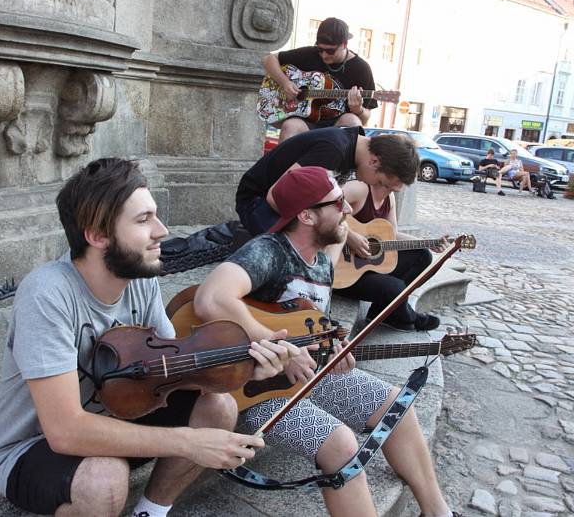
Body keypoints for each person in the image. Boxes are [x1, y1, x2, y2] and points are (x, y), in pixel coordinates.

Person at [0, 158, 298, 516]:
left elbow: (172, 371)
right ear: (98, 235)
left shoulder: (141, 279)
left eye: (156, 216)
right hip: (35, 448)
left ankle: (150, 511)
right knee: (104, 480)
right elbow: (65, 430)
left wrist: (246, 368)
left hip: (123, 412)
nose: (162, 230)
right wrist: (187, 442)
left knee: (218, 406)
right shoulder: (47, 294)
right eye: (143, 220)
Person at [195, 166, 458, 517]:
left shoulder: (321, 258)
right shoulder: (269, 251)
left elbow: (309, 327)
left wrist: (330, 346)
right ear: (306, 215)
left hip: (304, 377)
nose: (348, 209)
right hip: (254, 388)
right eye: (338, 202)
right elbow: (210, 298)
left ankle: (436, 511)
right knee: (340, 443)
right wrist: (280, 347)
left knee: (397, 404)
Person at [236, 126, 418, 237]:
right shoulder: (333, 150)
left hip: (282, 207)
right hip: (256, 202)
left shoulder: (354, 144)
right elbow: (275, 197)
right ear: (374, 161)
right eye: (381, 183)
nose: (379, 189)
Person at [338, 179, 442, 331]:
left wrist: (427, 242)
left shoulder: (390, 198)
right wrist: (350, 236)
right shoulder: (359, 189)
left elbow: (391, 236)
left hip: (362, 267)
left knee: (422, 255)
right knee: (396, 287)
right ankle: (410, 317)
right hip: (342, 272)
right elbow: (323, 207)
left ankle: (382, 313)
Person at [263, 17, 378, 142]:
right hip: (305, 121)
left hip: (337, 125)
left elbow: (365, 119)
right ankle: (282, 162)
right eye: (320, 49)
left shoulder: (361, 69)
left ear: (344, 44)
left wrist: (359, 110)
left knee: (352, 122)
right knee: (290, 126)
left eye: (330, 51)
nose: (324, 55)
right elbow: (269, 59)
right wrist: (285, 83)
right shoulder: (309, 54)